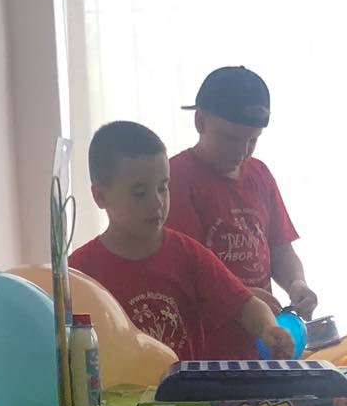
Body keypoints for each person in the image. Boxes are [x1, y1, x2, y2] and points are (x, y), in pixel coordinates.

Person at [70, 121, 294, 362]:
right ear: (100, 196)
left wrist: (269, 328)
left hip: (185, 386)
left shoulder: (187, 254)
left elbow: (247, 306)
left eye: (163, 188)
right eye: (140, 193)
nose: (157, 202)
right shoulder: (78, 272)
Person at [169, 67, 317, 359]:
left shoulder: (260, 174)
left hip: (261, 345)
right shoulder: (175, 178)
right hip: (205, 350)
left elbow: (281, 249)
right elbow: (184, 273)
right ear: (200, 121)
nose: (242, 151)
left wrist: (297, 283)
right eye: (230, 138)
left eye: (252, 140)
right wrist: (242, 299)